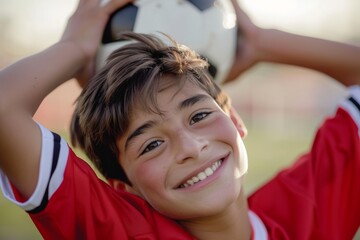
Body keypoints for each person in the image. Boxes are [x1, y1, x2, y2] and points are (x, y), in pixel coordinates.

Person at [0, 0, 359, 239]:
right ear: (125, 188)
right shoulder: (120, 230)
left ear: (234, 119)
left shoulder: (307, 209)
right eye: (151, 144)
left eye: (200, 115)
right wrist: (75, 48)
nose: (190, 147)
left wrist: (262, 43)